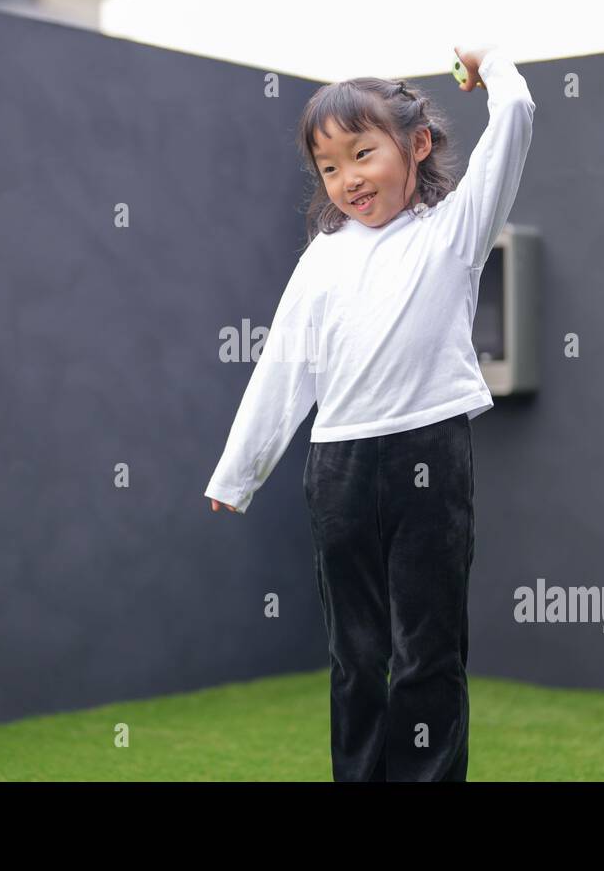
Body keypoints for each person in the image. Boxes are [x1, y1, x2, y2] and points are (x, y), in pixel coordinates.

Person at [204, 44, 535, 781]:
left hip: (431, 462)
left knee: (429, 652)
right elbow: (285, 364)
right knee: (356, 657)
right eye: (330, 166)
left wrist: (494, 66)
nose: (349, 178)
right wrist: (239, 472)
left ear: (416, 146)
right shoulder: (323, 256)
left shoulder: (454, 232)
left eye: (364, 153)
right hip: (340, 469)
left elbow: (515, 116)